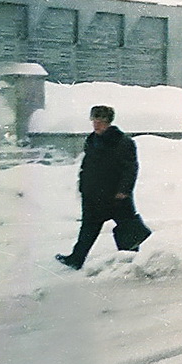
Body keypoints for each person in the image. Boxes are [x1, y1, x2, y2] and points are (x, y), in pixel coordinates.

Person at [56, 105, 150, 270]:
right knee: (88, 228)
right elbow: (88, 164)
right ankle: (76, 259)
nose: (96, 124)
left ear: (108, 122)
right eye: (94, 120)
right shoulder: (92, 140)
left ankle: (131, 259)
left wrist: (124, 190)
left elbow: (130, 168)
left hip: (115, 195)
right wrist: (83, 184)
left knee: (126, 226)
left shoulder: (123, 142)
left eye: (100, 121)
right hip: (93, 194)